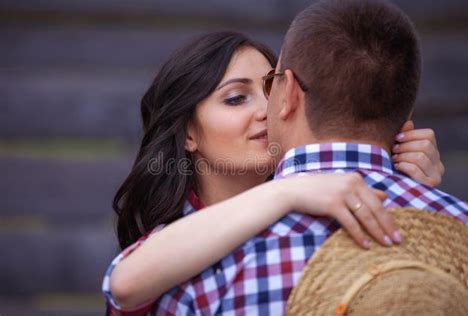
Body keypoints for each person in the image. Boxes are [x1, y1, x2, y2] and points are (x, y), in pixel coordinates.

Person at [102, 24, 449, 315]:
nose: (266, 110)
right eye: (236, 98)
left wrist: (409, 191)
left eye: (271, 88)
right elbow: (123, 285)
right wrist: (286, 192)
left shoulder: (325, 199)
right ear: (189, 134)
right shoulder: (167, 251)